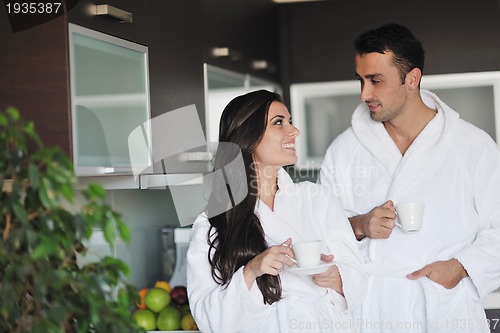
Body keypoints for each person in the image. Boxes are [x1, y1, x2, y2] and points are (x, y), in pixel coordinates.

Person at [318, 23, 500, 333]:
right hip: (372, 310)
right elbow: (320, 232)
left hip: (442, 308)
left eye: (376, 81)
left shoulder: (473, 146)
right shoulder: (344, 150)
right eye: (361, 81)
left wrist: (459, 268)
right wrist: (360, 225)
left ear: (412, 78)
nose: (364, 94)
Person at [187, 90, 367, 333]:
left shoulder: (317, 199)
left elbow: (358, 276)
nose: (294, 131)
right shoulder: (213, 222)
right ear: (248, 136)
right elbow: (208, 319)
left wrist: (335, 277)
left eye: (289, 121)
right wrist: (252, 270)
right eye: (279, 123)